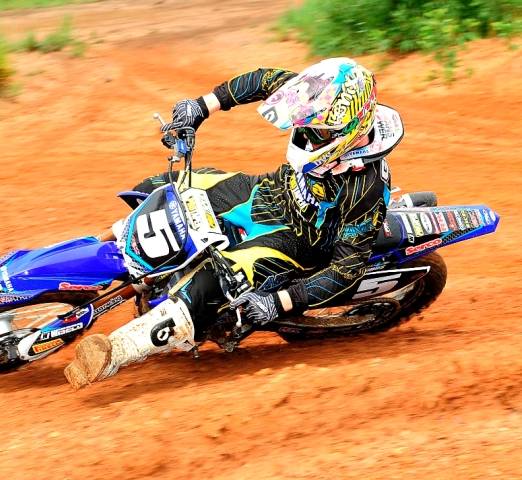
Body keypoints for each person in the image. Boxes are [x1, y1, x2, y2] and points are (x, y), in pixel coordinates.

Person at [64, 57, 404, 389]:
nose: (306, 133)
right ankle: (87, 257)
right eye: (305, 124)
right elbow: (260, 80)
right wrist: (202, 106)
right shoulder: (315, 94)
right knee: (155, 189)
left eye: (317, 130)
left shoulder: (366, 187)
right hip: (266, 191)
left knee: (207, 286)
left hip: (299, 240)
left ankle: (115, 352)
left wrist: (279, 302)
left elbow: (347, 269)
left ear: (349, 129)